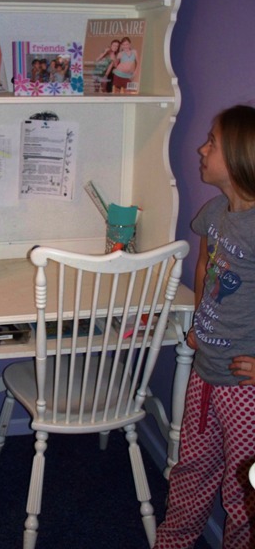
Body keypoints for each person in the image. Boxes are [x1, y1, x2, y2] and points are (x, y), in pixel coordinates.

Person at [154, 104, 255, 549]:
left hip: (243, 387)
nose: (201, 147)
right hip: (206, 370)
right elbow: (205, 266)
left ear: (238, 157)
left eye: (212, 141)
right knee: (191, 469)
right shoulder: (215, 212)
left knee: (243, 493)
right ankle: (174, 540)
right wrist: (197, 320)